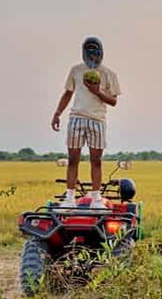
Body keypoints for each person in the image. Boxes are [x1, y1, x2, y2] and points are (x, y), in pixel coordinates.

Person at [51, 36, 121, 209]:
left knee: (96, 160)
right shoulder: (76, 70)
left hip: (97, 120)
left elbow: (113, 101)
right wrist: (57, 113)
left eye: (95, 51)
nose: (92, 54)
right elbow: (68, 93)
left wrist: (97, 92)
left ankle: (96, 198)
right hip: (77, 117)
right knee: (73, 158)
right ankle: (69, 197)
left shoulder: (108, 74)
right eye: (88, 50)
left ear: (100, 52)